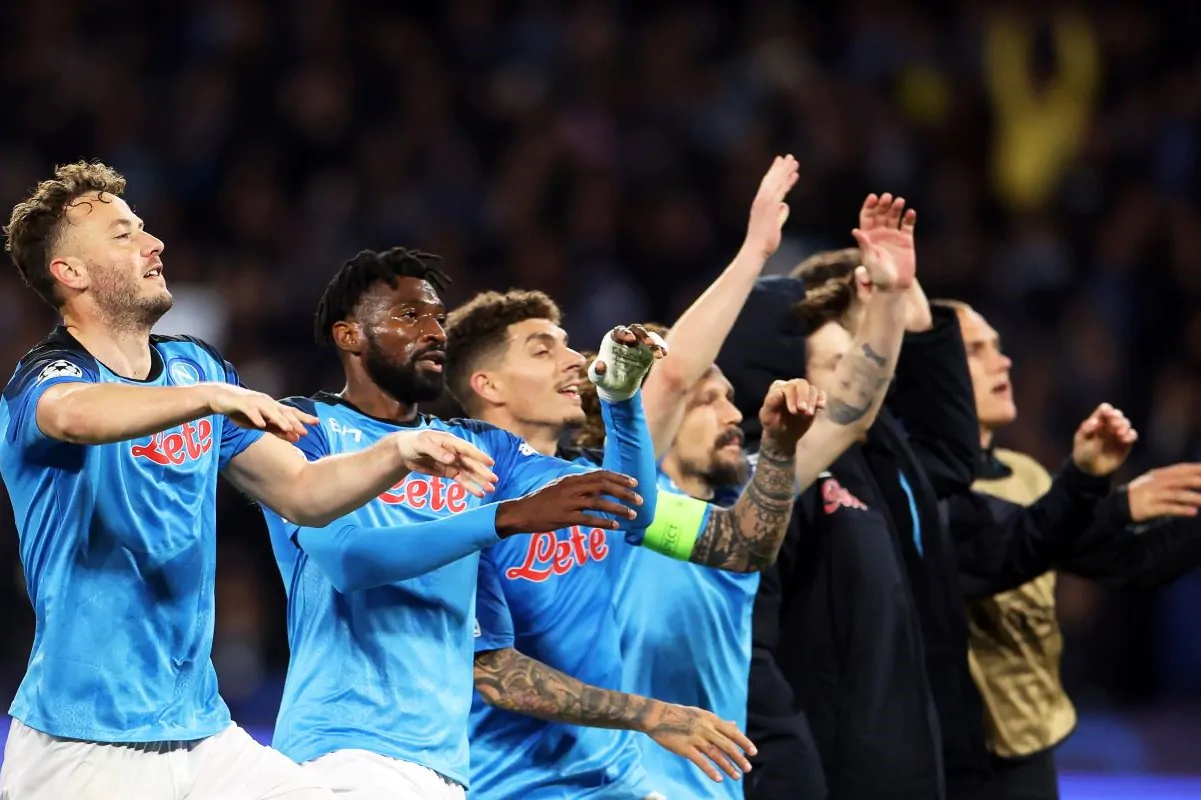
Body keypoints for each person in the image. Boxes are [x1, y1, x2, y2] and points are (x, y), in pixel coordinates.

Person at [0, 163, 496, 800]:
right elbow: (73, 415)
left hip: (202, 734)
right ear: (71, 272)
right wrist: (208, 399)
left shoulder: (192, 366)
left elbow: (303, 491)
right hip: (81, 745)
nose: (153, 243)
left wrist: (397, 452)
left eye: (143, 228)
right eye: (123, 235)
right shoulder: (47, 377)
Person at [735, 193, 1137, 800]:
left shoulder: (880, 456)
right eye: (838, 362)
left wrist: (905, 305)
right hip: (837, 770)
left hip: (924, 756)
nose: (860, 378)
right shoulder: (777, 484)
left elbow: (955, 461)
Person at [259, 247, 698, 800]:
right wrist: (505, 516)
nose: (433, 331)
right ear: (349, 335)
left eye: (438, 318)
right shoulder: (302, 427)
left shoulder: (480, 446)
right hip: (344, 748)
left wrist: (620, 400)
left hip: (446, 762)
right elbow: (348, 562)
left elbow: (628, 507)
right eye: (409, 316)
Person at [443, 283, 821, 798]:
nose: (572, 360)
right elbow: (494, 675)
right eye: (542, 350)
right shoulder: (456, 502)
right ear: (488, 385)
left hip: (618, 785)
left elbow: (743, 546)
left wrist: (778, 446)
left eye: (567, 345)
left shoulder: (594, 489)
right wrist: (652, 715)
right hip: (515, 787)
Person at [938, 298, 1201, 799]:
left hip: (1031, 751)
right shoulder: (924, 488)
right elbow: (1006, 539)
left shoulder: (1028, 476)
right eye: (976, 350)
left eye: (997, 346)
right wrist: (1115, 503)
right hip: (960, 758)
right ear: (931, 370)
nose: (1003, 361)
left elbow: (1130, 563)